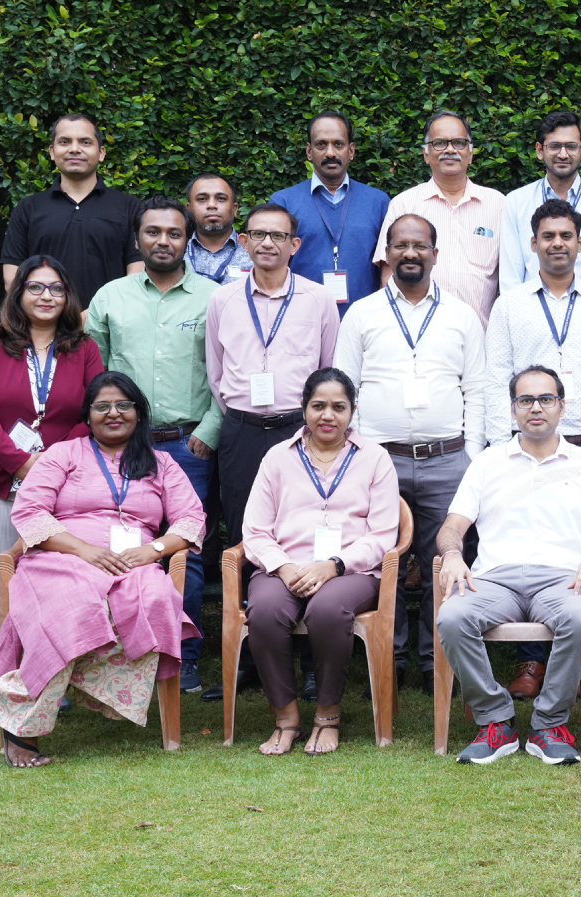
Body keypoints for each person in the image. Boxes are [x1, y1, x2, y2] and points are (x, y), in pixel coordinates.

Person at [0, 371, 205, 768]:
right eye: (102, 406)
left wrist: (152, 550)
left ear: (138, 413)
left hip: (132, 563)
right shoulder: (63, 455)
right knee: (76, 602)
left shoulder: (161, 463)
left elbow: (191, 519)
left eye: (123, 405)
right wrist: (84, 550)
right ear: (88, 414)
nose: (113, 413)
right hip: (61, 559)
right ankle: (19, 728)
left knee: (155, 596)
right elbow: (29, 511)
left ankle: (102, 690)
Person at [435, 365, 581, 766]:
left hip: (561, 579)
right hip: (494, 580)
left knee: (579, 615)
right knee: (452, 615)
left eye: (546, 399)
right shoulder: (487, 462)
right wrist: (453, 554)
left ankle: (549, 724)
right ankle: (495, 721)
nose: (535, 408)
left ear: (561, 406)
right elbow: (452, 527)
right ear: (512, 409)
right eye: (526, 400)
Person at [485, 198, 581, 693]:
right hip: (527, 444)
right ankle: (531, 663)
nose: (556, 244)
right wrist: (494, 447)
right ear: (533, 244)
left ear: (579, 243)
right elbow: (495, 379)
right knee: (534, 541)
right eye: (547, 236)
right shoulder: (510, 305)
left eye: (565, 236)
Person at [335, 212, 487, 694]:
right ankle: (389, 658)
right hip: (380, 460)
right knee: (385, 563)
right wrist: (356, 456)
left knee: (446, 560)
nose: (410, 254)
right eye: (400, 245)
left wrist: (474, 459)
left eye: (420, 246)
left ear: (435, 255)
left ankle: (437, 659)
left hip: (448, 460)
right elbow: (345, 388)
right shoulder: (363, 313)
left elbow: (478, 390)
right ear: (387, 253)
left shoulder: (462, 315)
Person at [86, 196, 222, 693]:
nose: (163, 241)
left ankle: (184, 657)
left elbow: (227, 373)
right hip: (125, 447)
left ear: (187, 239)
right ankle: (117, 652)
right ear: (138, 239)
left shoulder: (215, 297)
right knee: (120, 543)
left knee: (187, 551)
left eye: (173, 233)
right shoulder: (110, 298)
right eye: (153, 233)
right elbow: (93, 376)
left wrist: (208, 431)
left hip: (190, 445)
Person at [204, 202, 339, 700]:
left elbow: (328, 367)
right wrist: (242, 413)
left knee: (303, 534)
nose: (267, 244)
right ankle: (253, 661)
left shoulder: (318, 300)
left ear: (294, 245)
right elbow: (216, 374)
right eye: (257, 235)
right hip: (241, 431)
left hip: (299, 430)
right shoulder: (222, 301)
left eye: (277, 236)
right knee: (244, 536)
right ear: (243, 241)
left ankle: (307, 661)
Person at [0, 256, 105, 682]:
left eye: (57, 288)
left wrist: (48, 463)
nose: (47, 296)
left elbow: (92, 411)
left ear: (68, 297)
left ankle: (48, 679)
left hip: (59, 488)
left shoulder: (84, 348)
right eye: (36, 287)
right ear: (18, 293)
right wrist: (20, 461)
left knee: (50, 583)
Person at [242, 368, 401, 756]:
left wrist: (333, 564)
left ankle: (327, 716)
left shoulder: (375, 459)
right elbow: (255, 529)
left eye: (339, 407)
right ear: (303, 409)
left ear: (353, 411)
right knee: (263, 611)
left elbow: (383, 535)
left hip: (350, 570)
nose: (327, 415)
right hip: (286, 566)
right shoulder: (277, 457)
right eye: (318, 406)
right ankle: (286, 717)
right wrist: (282, 567)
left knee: (328, 610)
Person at [375, 111, 503, 326]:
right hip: (417, 335)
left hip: (479, 339)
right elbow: (388, 273)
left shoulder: (498, 205)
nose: (450, 150)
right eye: (440, 143)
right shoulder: (404, 204)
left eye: (459, 143)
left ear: (470, 154)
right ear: (426, 154)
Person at [0, 113, 142, 305]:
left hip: (109, 328)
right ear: (52, 152)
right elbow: (13, 280)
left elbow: (136, 277)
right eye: (65, 142)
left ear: (101, 153)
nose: (74, 149)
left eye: (85, 142)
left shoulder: (130, 207)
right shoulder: (28, 208)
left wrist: (93, 317)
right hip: (44, 327)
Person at [270, 111, 392, 314]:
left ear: (351, 150)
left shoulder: (378, 202)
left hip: (365, 321)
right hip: (300, 320)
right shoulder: (283, 202)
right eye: (321, 145)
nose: (330, 153)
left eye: (338, 144)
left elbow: (388, 267)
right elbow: (272, 266)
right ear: (309, 151)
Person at [500, 111, 581, 300]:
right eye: (554, 146)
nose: (562, 154)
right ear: (539, 150)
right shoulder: (516, 202)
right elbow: (510, 278)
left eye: (571, 146)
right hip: (530, 317)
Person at [184, 173, 249, 285]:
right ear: (188, 210)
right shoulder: (176, 252)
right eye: (202, 199)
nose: (212, 205)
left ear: (234, 209)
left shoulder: (255, 252)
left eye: (221, 199)